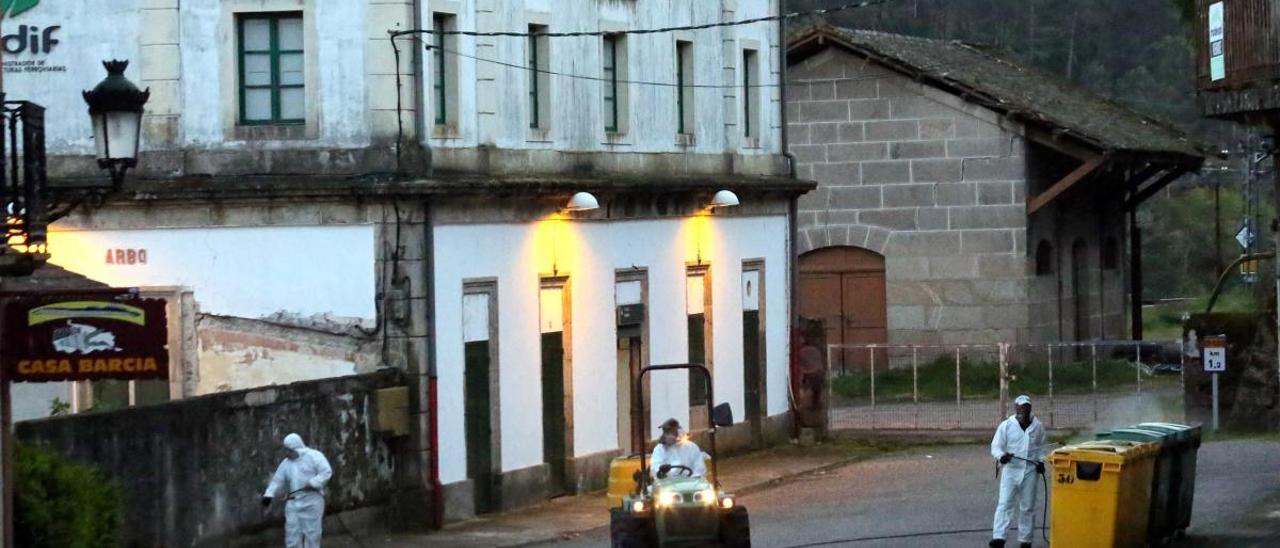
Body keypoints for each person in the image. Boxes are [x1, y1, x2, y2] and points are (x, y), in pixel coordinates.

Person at [989, 395, 1046, 548]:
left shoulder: (1038, 426)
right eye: (1020, 408)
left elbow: (1042, 447)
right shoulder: (1006, 425)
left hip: (1030, 471)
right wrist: (1002, 457)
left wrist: (1041, 461)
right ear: (1015, 409)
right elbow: (996, 446)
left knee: (1027, 506)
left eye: (1025, 408)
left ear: (1030, 409)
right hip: (1011, 470)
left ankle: (1025, 540)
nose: (1022, 411)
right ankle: (999, 537)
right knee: (1005, 503)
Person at [262, 433, 333, 548]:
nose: (286, 453)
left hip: (312, 501)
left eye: (289, 451)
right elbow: (277, 481)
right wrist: (268, 496)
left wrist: (313, 483)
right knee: (292, 536)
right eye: (286, 451)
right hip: (293, 503)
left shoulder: (314, 456)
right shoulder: (286, 464)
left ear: (297, 449)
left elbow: (326, 472)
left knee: (312, 536)